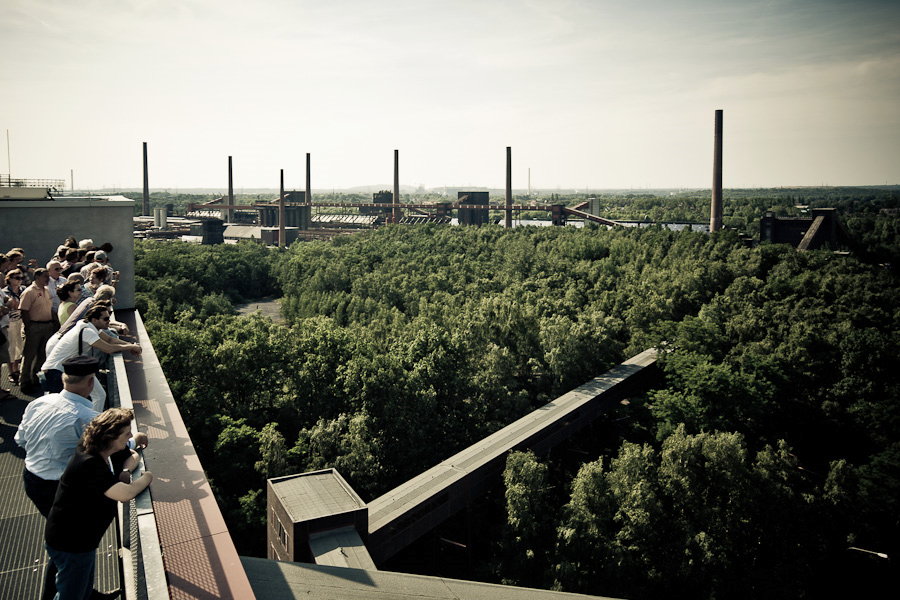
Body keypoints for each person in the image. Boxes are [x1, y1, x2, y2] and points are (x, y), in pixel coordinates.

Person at [15, 356, 149, 516]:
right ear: (91, 382)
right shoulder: (87, 418)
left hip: (32, 479)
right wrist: (136, 439)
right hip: (66, 487)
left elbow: (20, 440)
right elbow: (113, 447)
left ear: (64, 379)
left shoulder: (39, 403)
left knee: (57, 529)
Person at [45, 408, 152, 600]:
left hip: (79, 539)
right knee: (71, 594)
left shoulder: (100, 449)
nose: (129, 436)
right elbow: (125, 493)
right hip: (72, 543)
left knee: (81, 585)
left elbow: (131, 454)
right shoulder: (89, 462)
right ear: (110, 436)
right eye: (126, 434)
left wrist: (127, 470)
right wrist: (147, 478)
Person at [40, 304, 141, 396]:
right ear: (94, 320)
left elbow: (110, 339)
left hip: (68, 369)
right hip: (55, 372)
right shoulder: (87, 331)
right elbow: (109, 348)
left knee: (99, 395)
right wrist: (131, 347)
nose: (109, 322)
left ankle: (94, 416)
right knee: (63, 403)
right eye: (105, 319)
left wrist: (131, 345)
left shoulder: (89, 327)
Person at [19, 267, 55, 393]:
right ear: (37, 277)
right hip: (34, 326)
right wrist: (28, 327)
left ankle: (35, 378)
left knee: (42, 354)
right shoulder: (29, 291)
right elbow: (24, 310)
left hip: (47, 326)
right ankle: (24, 381)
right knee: (29, 355)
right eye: (45, 276)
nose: (47, 279)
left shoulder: (46, 290)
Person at [3, 269, 25, 386]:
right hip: (10, 322)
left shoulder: (23, 290)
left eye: (21, 278)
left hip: (21, 321)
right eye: (17, 278)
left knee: (19, 346)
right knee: (11, 347)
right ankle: (11, 372)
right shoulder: (5, 292)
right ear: (10, 279)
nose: (19, 280)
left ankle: (17, 369)